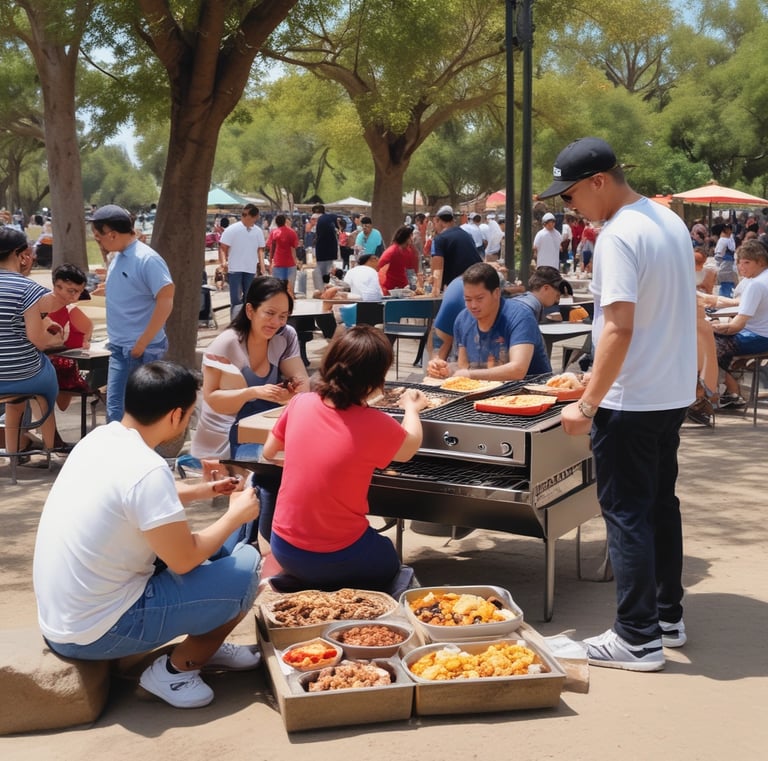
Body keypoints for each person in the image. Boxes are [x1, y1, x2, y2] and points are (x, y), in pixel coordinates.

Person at [538, 136, 696, 672]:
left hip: (631, 398)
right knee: (659, 505)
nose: (570, 206)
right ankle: (666, 618)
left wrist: (586, 403)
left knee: (626, 514)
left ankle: (636, 638)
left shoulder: (617, 235)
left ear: (599, 181)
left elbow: (618, 328)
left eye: (572, 194)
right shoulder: (667, 220)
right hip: (669, 391)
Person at [33, 361, 262, 709]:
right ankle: (175, 672)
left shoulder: (102, 439)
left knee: (220, 552)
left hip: (64, 618)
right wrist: (235, 515)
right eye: (189, 414)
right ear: (175, 416)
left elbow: (129, 497)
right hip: (96, 633)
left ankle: (208, 641)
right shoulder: (148, 470)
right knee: (245, 566)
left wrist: (201, 491)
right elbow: (183, 561)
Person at [262, 326, 429, 591]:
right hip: (337, 555)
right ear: (376, 379)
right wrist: (412, 407)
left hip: (284, 547)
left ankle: (299, 579)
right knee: (388, 555)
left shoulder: (301, 403)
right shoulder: (375, 423)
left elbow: (269, 452)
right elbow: (410, 447)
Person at [91, 205, 175, 423]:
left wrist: (142, 342)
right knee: (119, 411)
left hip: (139, 349)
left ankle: (141, 456)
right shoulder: (117, 257)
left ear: (112, 234)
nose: (98, 241)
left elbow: (166, 300)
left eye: (99, 237)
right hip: (121, 346)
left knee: (137, 414)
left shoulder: (147, 259)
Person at [427, 262, 551, 381]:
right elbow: (462, 367)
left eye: (479, 298)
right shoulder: (462, 320)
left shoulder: (520, 317)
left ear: (496, 293)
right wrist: (444, 368)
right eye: (468, 299)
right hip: (484, 394)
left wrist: (469, 375)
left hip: (531, 394)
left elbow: (518, 370)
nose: (473, 305)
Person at [0, 229, 63, 454]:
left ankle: (12, 452)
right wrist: (55, 339)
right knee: (46, 378)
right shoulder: (28, 289)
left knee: (14, 400)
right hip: (23, 375)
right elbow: (37, 339)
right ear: (21, 254)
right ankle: (50, 447)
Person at [710, 239, 768, 408]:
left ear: (760, 262)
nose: (741, 267)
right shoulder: (761, 280)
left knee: (706, 346)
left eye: (747, 263)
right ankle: (730, 390)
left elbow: (735, 326)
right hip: (761, 335)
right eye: (739, 263)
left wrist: (708, 328)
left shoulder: (756, 284)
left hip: (758, 338)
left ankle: (730, 391)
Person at [39, 264, 95, 435]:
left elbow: (88, 329)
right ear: (57, 285)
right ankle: (47, 436)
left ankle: (45, 435)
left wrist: (84, 342)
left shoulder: (73, 311)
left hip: (65, 363)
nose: (75, 296)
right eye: (71, 291)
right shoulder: (41, 304)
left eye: (78, 291)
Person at [219, 204, 267, 318]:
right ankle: (235, 322)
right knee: (235, 299)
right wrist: (223, 262)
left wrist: (262, 266)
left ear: (254, 217)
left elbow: (260, 250)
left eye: (246, 215)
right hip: (235, 268)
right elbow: (223, 247)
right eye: (243, 214)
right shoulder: (232, 229)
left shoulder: (258, 231)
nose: (243, 217)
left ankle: (246, 321)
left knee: (249, 298)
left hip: (250, 269)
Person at [430, 205, 483, 293]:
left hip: (455, 289)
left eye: (434, 224)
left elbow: (437, 272)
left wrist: (434, 291)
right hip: (477, 284)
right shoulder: (467, 235)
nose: (434, 228)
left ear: (437, 220)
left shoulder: (439, 239)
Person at [266, 214, 299, 297]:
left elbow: (271, 247)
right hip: (290, 263)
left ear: (276, 223)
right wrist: (296, 260)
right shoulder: (292, 232)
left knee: (278, 289)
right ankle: (291, 305)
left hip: (278, 263)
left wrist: (271, 261)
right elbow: (294, 247)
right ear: (285, 221)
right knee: (290, 288)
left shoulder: (274, 233)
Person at [312, 204, 340, 293]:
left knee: (322, 271)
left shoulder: (322, 220)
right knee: (327, 269)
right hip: (331, 250)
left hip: (323, 251)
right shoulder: (330, 217)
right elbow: (339, 222)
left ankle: (323, 290)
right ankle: (326, 288)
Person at [377, 226, 412, 295]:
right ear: (406, 239)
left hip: (405, 289)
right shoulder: (391, 251)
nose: (411, 240)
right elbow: (378, 267)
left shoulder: (408, 251)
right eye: (410, 237)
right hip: (391, 291)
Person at [714, 224, 737, 297]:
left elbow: (719, 255)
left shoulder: (725, 240)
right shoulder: (727, 240)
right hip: (727, 264)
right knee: (727, 284)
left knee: (727, 284)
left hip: (726, 263)